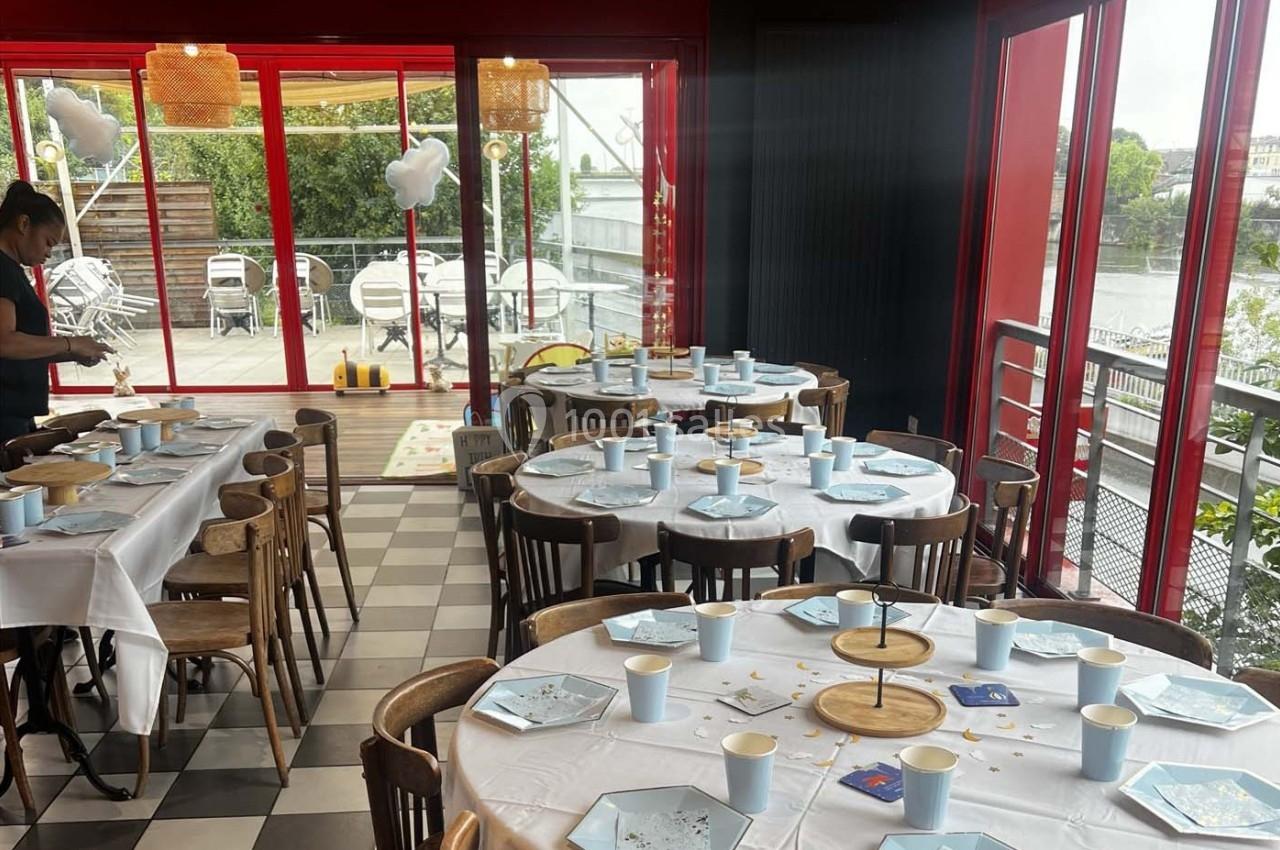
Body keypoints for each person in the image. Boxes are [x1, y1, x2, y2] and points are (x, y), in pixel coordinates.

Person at [0, 180, 114, 444]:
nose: (49, 253)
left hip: (17, 413)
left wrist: (72, 352)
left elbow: (20, 353)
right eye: (48, 243)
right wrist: (70, 342)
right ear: (24, 224)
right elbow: (4, 342)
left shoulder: (11, 270)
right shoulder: (2, 271)